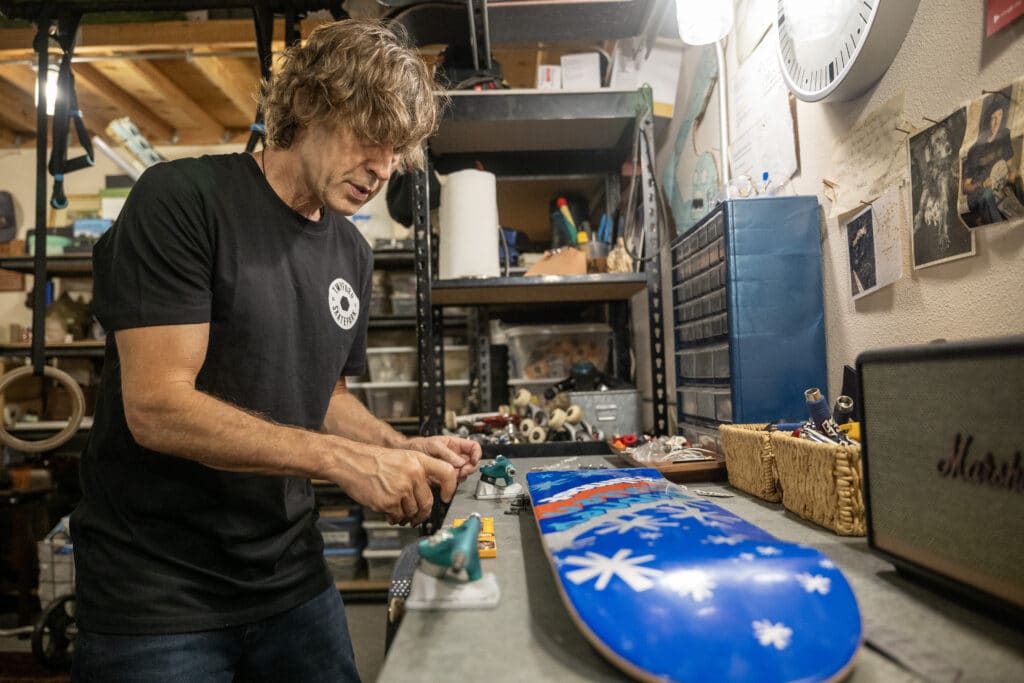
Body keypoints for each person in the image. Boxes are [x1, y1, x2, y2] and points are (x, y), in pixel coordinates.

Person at [70, 18, 480, 682]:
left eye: (396, 152)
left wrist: (395, 447)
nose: (381, 169)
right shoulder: (183, 202)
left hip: (292, 580)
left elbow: (319, 395)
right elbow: (157, 406)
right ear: (312, 106)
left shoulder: (351, 250)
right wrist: (342, 461)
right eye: (370, 140)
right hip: (160, 595)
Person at [961, 94, 1021, 225]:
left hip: (998, 185)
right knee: (987, 195)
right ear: (987, 120)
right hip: (978, 193)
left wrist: (1012, 174)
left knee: (1018, 181)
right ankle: (999, 229)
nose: (996, 122)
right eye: (993, 117)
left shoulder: (1004, 136)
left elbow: (1010, 166)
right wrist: (981, 185)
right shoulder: (975, 149)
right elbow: (965, 187)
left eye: (999, 116)